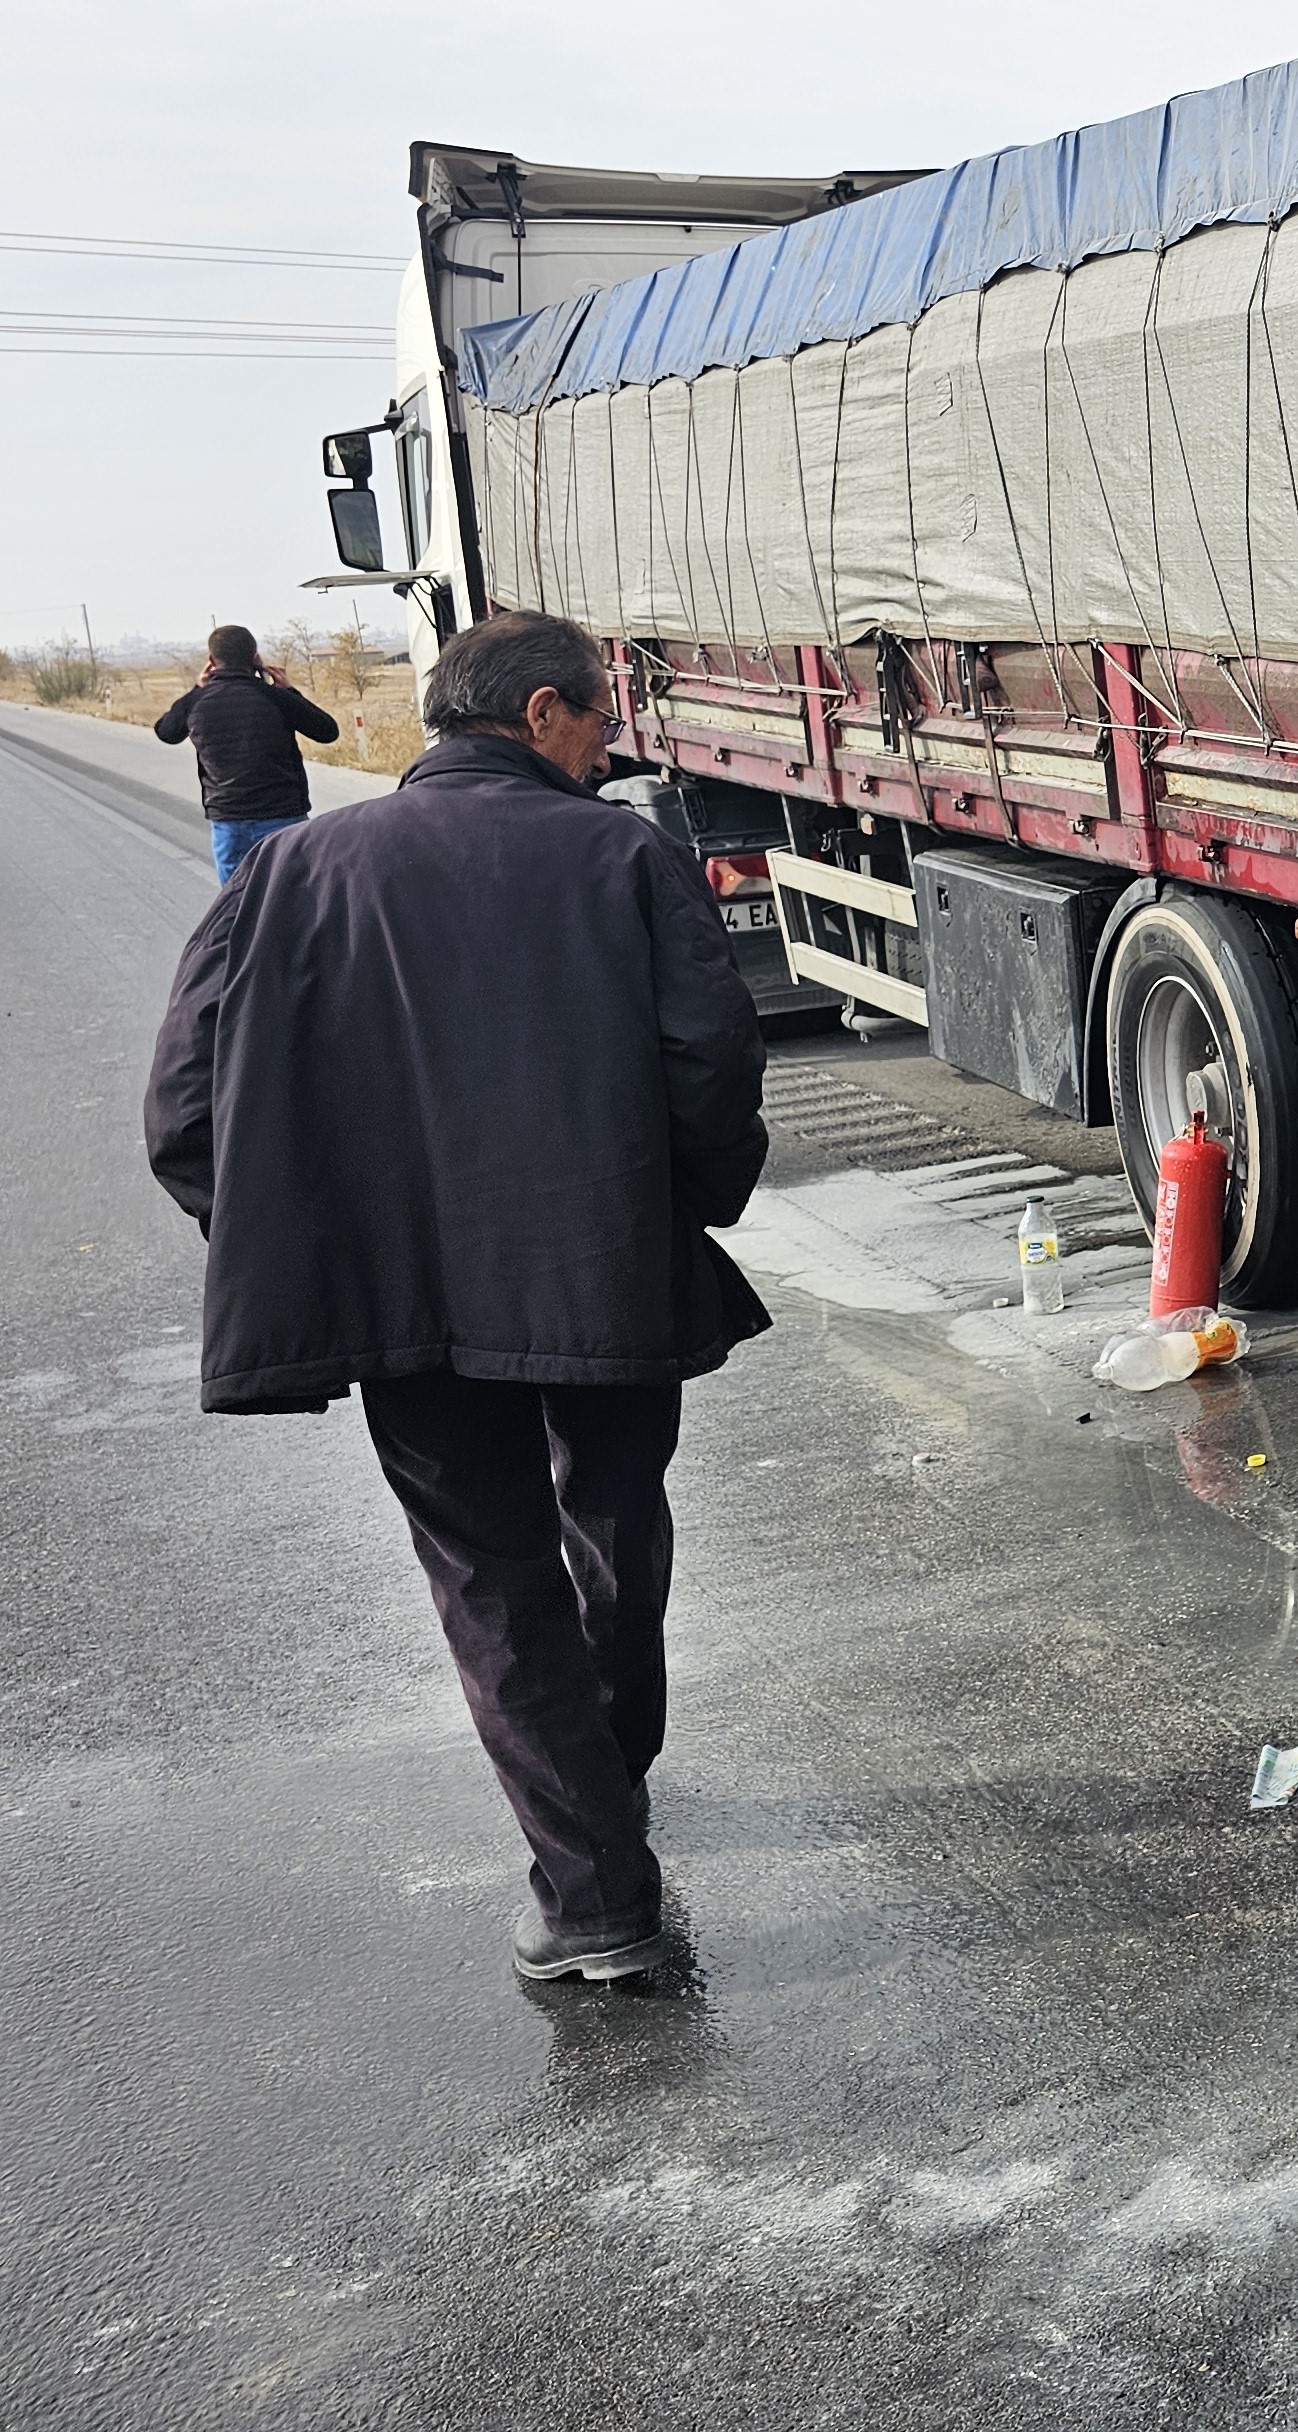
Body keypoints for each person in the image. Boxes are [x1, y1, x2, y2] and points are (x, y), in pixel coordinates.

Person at [143, 610, 769, 1984]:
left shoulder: (291, 871)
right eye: (603, 718)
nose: (613, 746)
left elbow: (184, 1111)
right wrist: (691, 1208)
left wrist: (293, 1238)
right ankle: (610, 1794)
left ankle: (594, 1885)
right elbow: (713, 1065)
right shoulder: (624, 856)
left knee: (489, 1575)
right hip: (606, 1268)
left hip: (400, 1294)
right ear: (541, 712)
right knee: (614, 1521)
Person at [153, 623, 341, 884]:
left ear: (211, 661)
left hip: (230, 823)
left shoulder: (197, 702)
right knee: (295, 900)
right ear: (255, 658)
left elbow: (167, 732)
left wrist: (198, 689)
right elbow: (327, 731)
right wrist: (289, 691)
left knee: (236, 906)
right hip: (284, 817)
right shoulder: (276, 698)